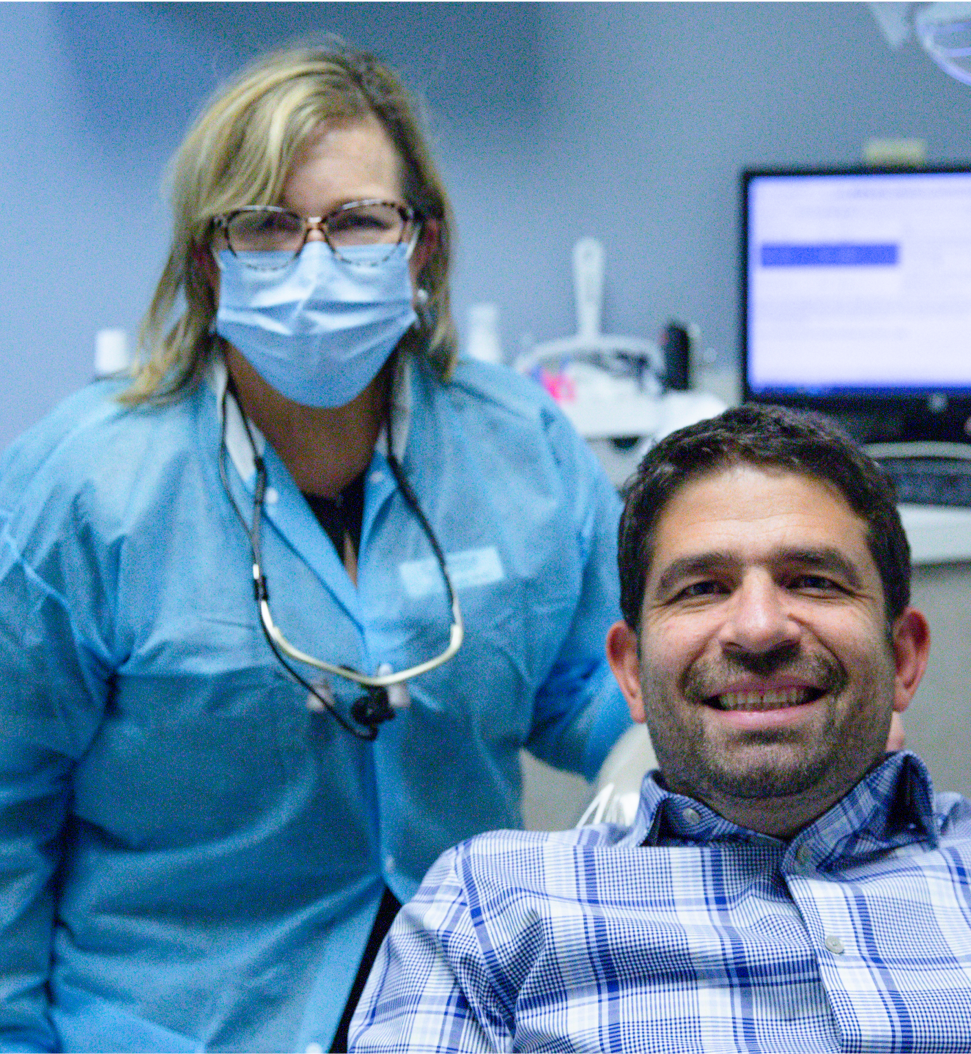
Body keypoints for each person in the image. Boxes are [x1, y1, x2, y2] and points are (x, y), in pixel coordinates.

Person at [0, 42, 631, 1054]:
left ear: (419, 245)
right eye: (263, 225)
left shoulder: (520, 445)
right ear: (209, 260)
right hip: (177, 1020)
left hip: (463, 1007)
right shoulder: (80, 489)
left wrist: (651, 759)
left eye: (356, 223)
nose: (312, 260)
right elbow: (6, 805)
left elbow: (596, 688)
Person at [345, 404, 971, 1053]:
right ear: (630, 670)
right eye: (702, 588)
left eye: (812, 580)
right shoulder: (487, 913)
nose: (758, 629)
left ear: (903, 657)